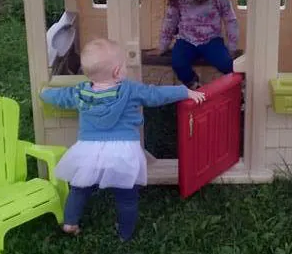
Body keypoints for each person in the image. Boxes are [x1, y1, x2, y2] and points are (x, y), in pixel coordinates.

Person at [40, 38, 205, 241]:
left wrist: (44, 93)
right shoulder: (130, 90)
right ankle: (125, 233)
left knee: (79, 188)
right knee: (126, 195)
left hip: (89, 150)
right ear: (118, 71)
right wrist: (184, 91)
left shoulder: (79, 92)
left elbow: (59, 97)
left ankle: (70, 222)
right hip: (123, 151)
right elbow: (155, 94)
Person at [155, 0, 239, 89]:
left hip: (212, 40)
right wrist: (162, 47)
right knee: (178, 63)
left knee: (227, 64)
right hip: (186, 40)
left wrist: (232, 46)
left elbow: (229, 17)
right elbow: (170, 20)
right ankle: (195, 85)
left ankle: (239, 90)